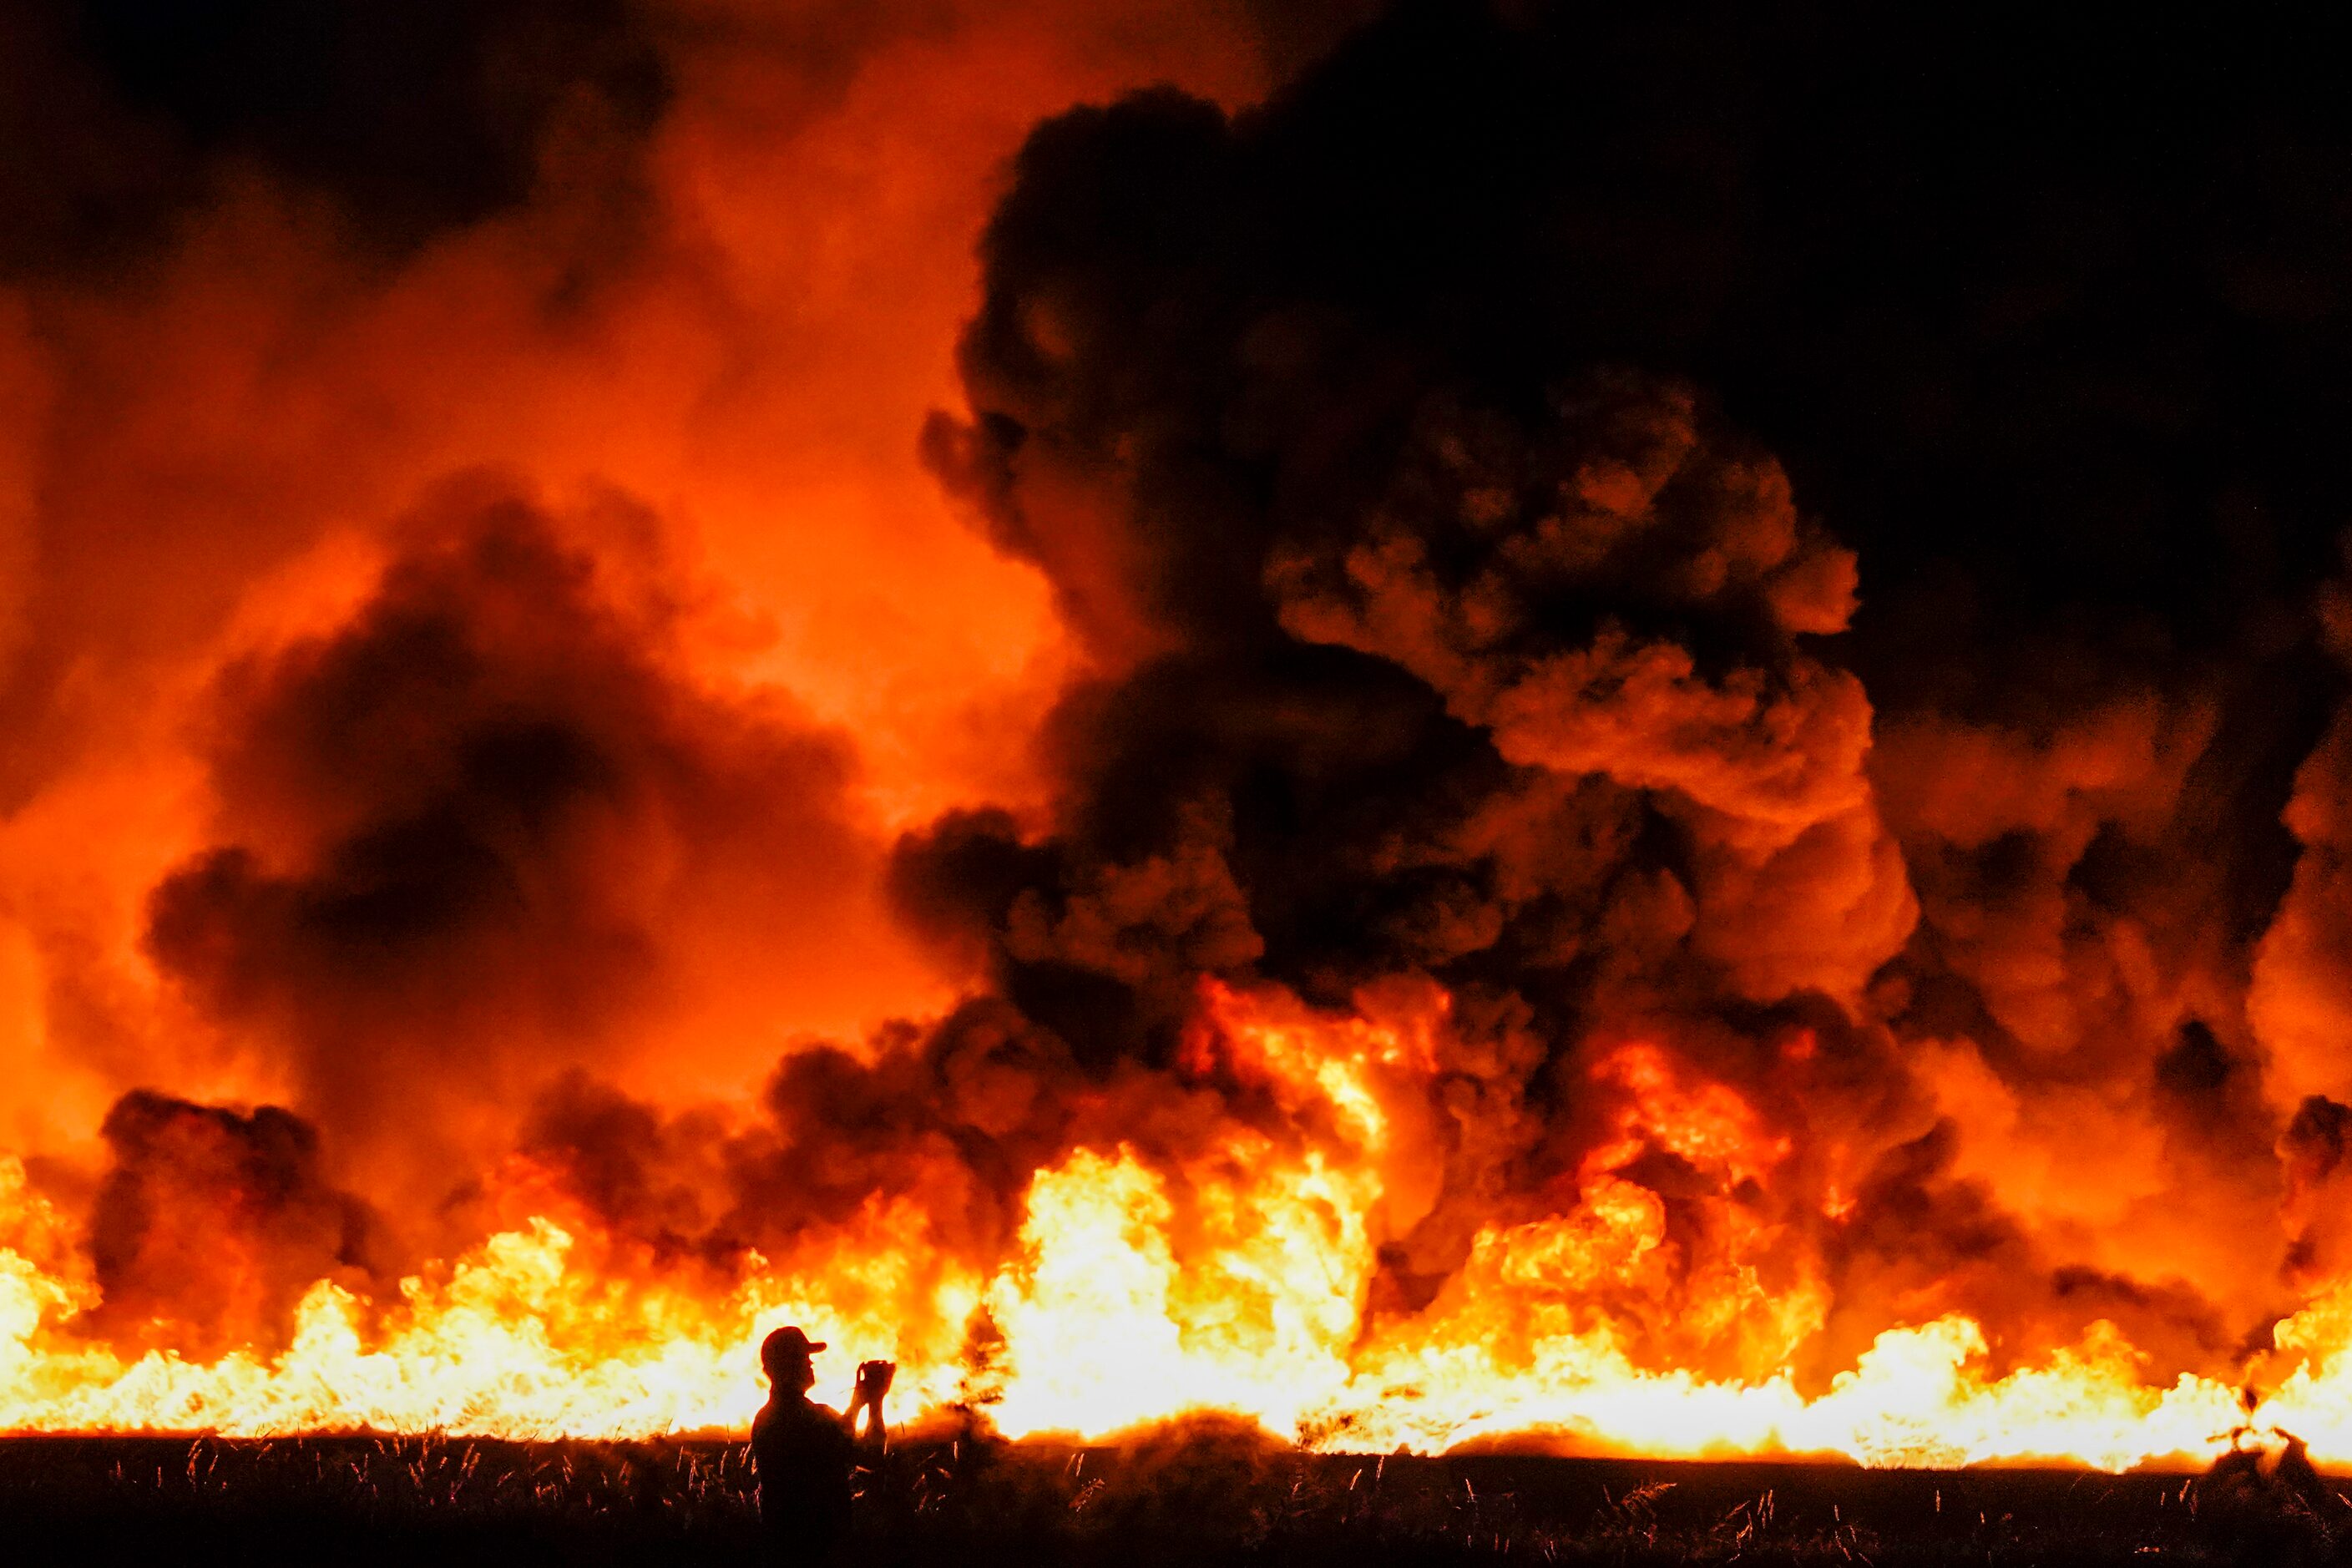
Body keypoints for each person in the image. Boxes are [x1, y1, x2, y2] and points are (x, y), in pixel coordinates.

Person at [750, 1325, 893, 1565]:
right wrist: (876, 1402)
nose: (810, 1364)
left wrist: (858, 1402)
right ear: (788, 1365)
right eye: (803, 1358)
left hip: (784, 1545)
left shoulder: (766, 1418)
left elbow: (836, 1438)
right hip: (821, 1547)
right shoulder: (810, 1416)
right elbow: (871, 1456)